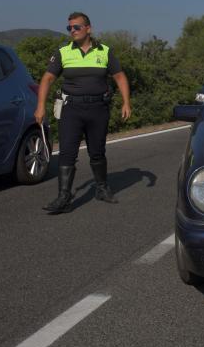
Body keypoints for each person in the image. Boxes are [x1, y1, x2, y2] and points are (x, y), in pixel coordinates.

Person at [35, 12, 132, 214]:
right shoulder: (63, 52)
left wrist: (126, 103)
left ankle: (102, 188)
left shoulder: (105, 51)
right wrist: (40, 106)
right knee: (67, 153)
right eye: (69, 28)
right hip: (71, 110)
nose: (72, 31)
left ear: (89, 28)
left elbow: (120, 77)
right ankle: (64, 197)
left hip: (98, 109)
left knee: (97, 151)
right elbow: (47, 79)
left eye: (76, 27)